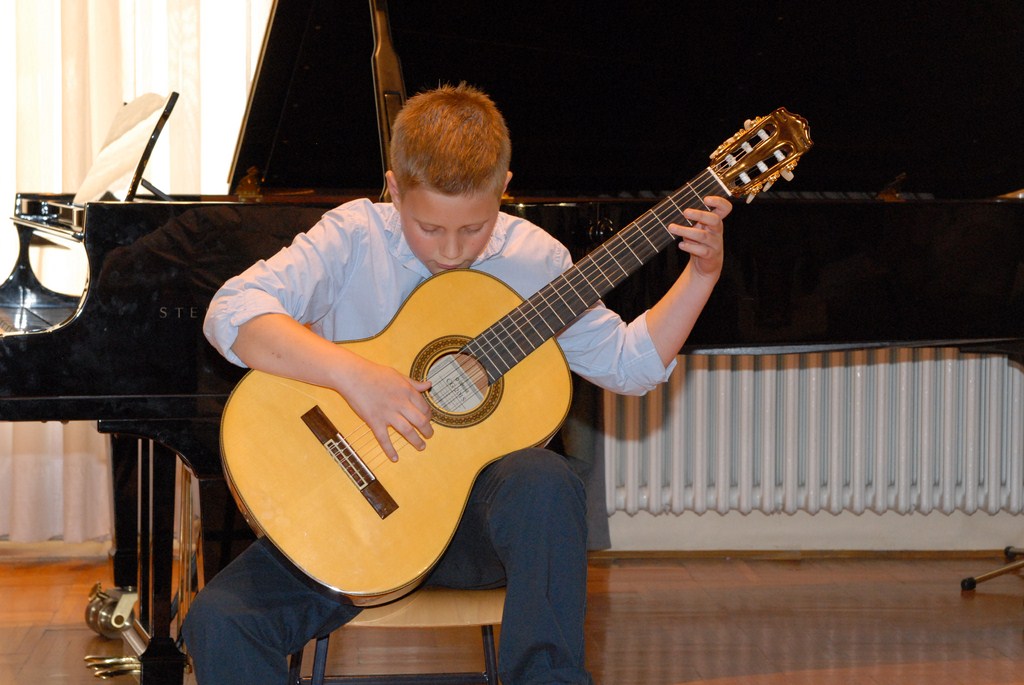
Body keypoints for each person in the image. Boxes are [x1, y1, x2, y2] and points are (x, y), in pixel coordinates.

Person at [183, 82, 731, 684]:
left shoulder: (532, 260)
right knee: (219, 622)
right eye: (427, 228)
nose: (449, 250)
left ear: (503, 189)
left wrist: (702, 276)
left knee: (547, 482)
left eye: (472, 229)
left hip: (474, 533)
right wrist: (358, 377)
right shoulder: (353, 237)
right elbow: (230, 312)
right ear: (393, 189)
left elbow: (627, 364)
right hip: (352, 522)